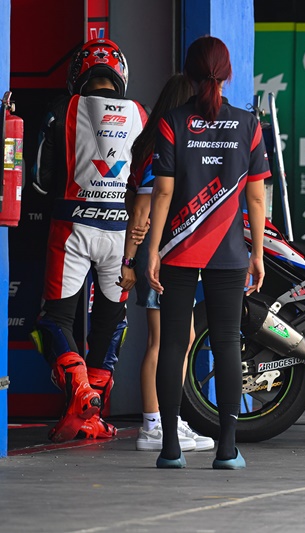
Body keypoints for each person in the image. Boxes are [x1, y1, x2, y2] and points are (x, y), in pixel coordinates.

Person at [146, 36, 268, 469]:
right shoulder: (248, 124)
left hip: (177, 249)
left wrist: (153, 250)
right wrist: (256, 253)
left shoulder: (172, 122)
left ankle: (170, 448)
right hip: (230, 252)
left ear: (188, 72)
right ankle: (227, 448)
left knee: (173, 343)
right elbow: (256, 197)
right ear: (227, 74)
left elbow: (162, 193)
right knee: (227, 342)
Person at [30, 38, 147, 442]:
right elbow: (151, 178)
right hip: (122, 235)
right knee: (111, 322)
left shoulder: (63, 109)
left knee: (54, 320)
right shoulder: (141, 114)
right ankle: (92, 414)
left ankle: (81, 393)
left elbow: (39, 179)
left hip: (71, 228)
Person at [116, 73, 214, 453]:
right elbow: (141, 211)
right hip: (157, 257)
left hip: (169, 254)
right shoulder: (160, 146)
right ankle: (153, 425)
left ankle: (166, 418)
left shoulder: (159, 142)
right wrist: (130, 261)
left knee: (181, 338)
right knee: (163, 341)